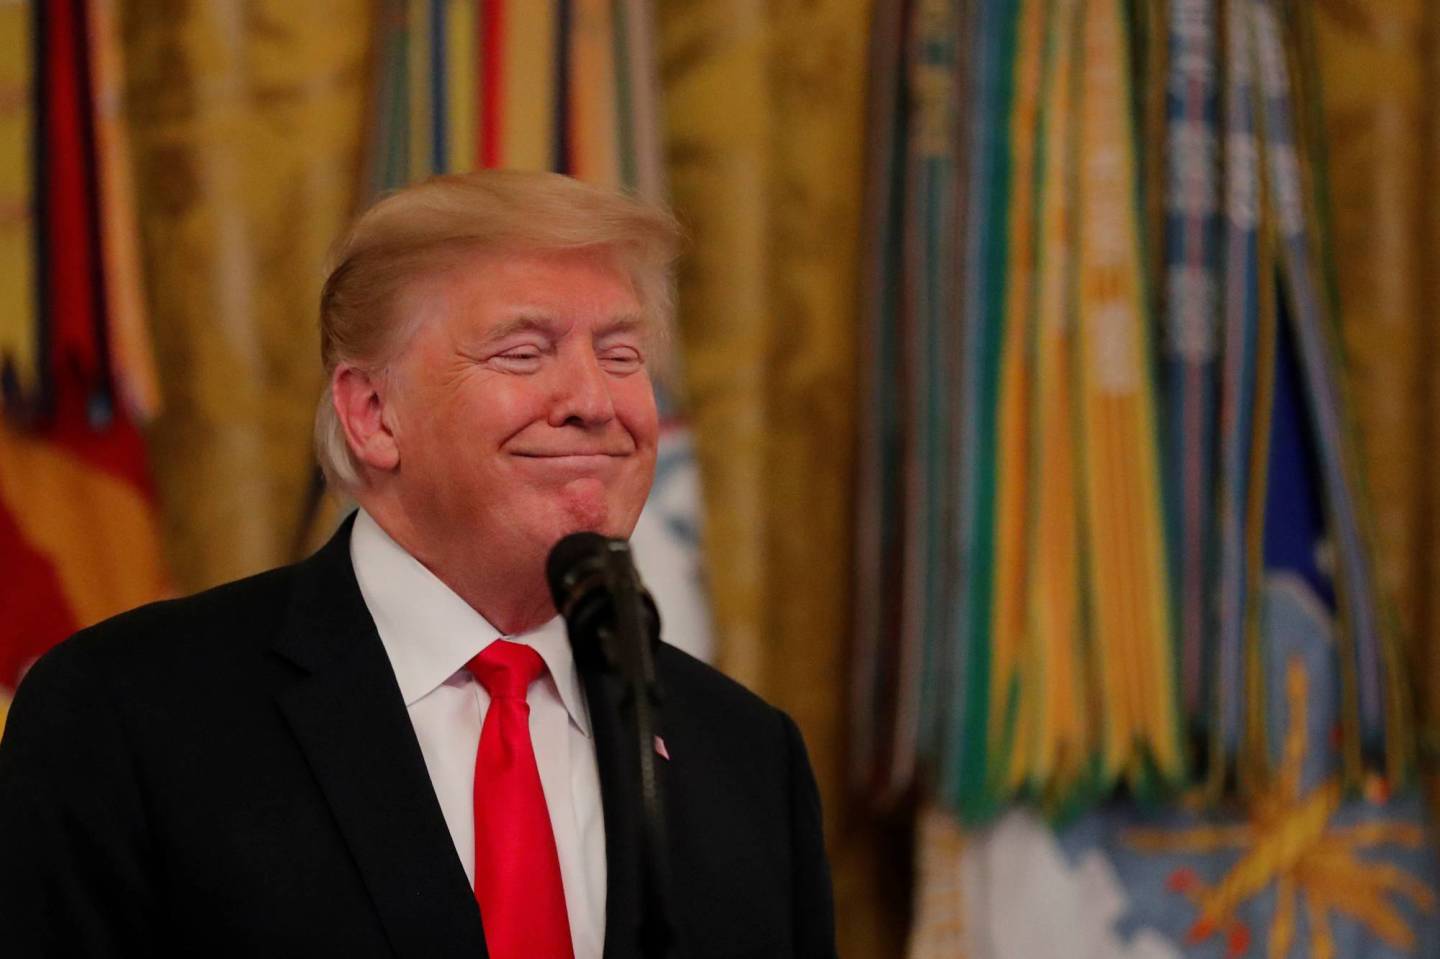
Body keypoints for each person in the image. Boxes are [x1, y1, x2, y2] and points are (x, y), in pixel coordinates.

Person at [0, 171, 836, 958]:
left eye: (621, 354)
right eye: (523, 352)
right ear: (372, 414)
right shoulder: (125, 712)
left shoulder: (746, 755)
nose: (594, 400)